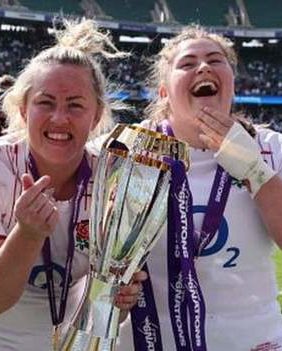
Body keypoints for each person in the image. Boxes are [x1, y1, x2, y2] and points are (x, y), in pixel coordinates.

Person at [0, 19, 147, 350]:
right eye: (45, 102)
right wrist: (27, 234)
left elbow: (104, 302)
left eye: (75, 105)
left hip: (73, 341)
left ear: (96, 116)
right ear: (24, 109)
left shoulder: (115, 179)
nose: (59, 118)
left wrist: (118, 292)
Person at [117, 26, 282, 350]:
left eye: (215, 60)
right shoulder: (127, 151)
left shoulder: (271, 148)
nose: (203, 68)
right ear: (163, 92)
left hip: (255, 340)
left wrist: (253, 169)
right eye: (188, 63)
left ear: (232, 81)